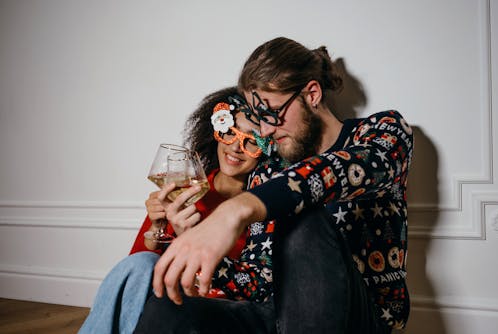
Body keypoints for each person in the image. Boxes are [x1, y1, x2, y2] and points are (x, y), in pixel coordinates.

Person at [135, 37, 413, 334]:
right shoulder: (267, 172)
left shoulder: (383, 132)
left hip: (356, 319)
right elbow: (255, 284)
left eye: (271, 113)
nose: (266, 130)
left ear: (312, 94)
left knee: (302, 216)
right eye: (259, 118)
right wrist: (191, 237)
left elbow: (340, 171)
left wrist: (236, 210)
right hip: (276, 317)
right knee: (167, 310)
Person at [79, 86, 273, 334]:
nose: (236, 147)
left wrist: (190, 235)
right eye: (229, 133)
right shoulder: (187, 188)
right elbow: (135, 273)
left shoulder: (260, 207)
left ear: (268, 151)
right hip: (162, 295)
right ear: (216, 130)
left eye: (252, 141)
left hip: (209, 308)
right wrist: (156, 226)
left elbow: (243, 289)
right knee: (140, 263)